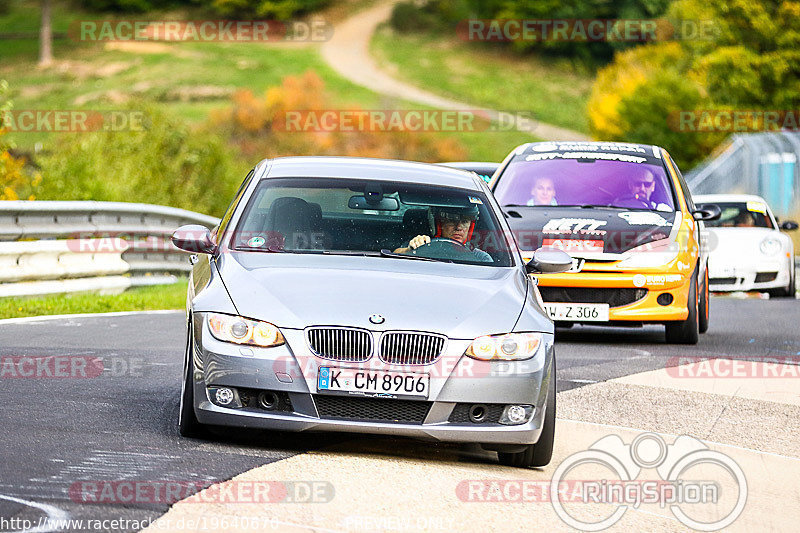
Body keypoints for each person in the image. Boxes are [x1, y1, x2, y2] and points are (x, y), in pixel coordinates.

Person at [394, 205, 492, 262]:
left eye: (465, 222)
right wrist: (410, 250)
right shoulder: (419, 245)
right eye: (451, 221)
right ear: (438, 224)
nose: (458, 227)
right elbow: (394, 256)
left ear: (470, 227)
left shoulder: (480, 258)